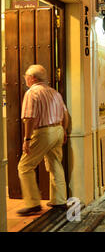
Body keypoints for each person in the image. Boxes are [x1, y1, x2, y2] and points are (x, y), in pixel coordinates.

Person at [17, 65, 69, 216]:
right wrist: (64, 130)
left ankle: (33, 203)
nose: (25, 78)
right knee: (55, 164)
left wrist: (27, 139)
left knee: (24, 166)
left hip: (43, 131)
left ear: (33, 78)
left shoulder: (32, 93)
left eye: (26, 75)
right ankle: (60, 201)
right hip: (58, 129)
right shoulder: (54, 92)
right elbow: (65, 114)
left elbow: (29, 117)